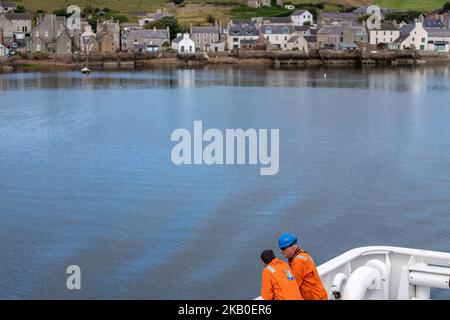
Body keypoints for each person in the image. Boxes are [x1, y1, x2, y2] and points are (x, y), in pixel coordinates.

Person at [278, 233, 328, 300]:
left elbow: (293, 285)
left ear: (292, 247)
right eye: (280, 248)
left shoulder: (298, 262)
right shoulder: (300, 255)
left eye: (283, 248)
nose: (281, 251)